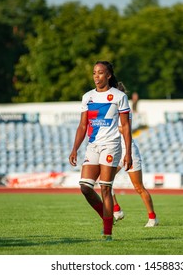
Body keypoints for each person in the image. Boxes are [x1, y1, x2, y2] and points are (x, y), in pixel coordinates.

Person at [69, 61, 132, 241]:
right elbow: (82, 125)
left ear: (109, 75)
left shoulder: (119, 97)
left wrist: (129, 153)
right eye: (94, 73)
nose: (97, 76)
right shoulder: (87, 97)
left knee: (105, 188)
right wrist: (74, 149)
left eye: (101, 73)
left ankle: (107, 233)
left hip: (111, 145)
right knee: (85, 187)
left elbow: (126, 126)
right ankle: (108, 218)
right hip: (93, 146)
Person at [112, 82, 159, 227]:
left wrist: (110, 125)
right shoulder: (111, 111)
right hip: (117, 152)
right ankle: (117, 210)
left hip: (129, 151)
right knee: (104, 181)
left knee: (139, 188)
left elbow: (127, 130)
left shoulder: (125, 110)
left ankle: (153, 218)